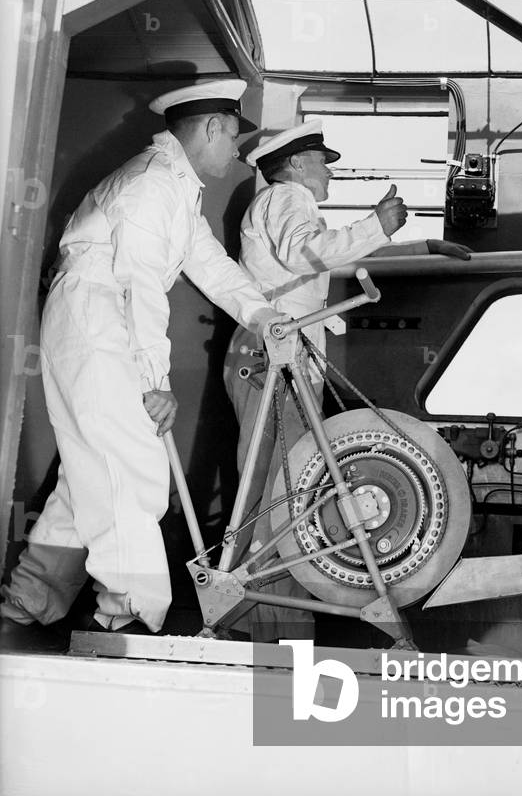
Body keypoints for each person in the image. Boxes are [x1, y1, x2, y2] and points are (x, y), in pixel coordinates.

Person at [0, 79, 279, 635]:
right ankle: (128, 617)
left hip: (95, 316)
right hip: (97, 316)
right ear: (210, 128)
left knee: (90, 475)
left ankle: (26, 605)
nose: (236, 151)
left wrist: (265, 317)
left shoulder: (177, 188)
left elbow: (213, 267)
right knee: (133, 469)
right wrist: (155, 380)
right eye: (233, 137)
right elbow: (140, 286)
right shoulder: (152, 185)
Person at [223, 118, 470, 640]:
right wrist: (378, 223)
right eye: (321, 161)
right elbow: (308, 253)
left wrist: (423, 247)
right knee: (274, 496)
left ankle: (270, 624)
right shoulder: (288, 199)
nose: (329, 171)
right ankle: (253, 627)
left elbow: (331, 257)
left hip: (282, 358)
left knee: (283, 495)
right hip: (273, 359)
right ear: (294, 164)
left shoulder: (288, 206)